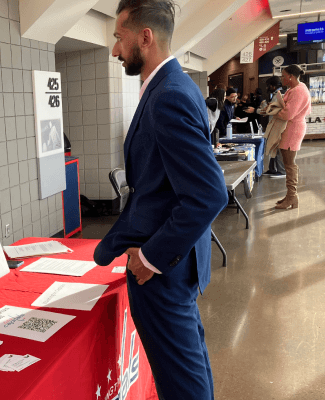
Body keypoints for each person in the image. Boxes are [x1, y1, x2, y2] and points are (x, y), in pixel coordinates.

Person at [94, 1, 228, 398]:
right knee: (191, 369)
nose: (115, 50)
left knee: (181, 383)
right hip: (178, 262)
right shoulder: (174, 86)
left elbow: (207, 193)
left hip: (163, 268)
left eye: (119, 38)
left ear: (145, 37)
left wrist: (150, 257)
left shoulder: (168, 95)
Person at [273, 65, 311, 209]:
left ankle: (292, 197)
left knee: (289, 164)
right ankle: (290, 195)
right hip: (290, 128)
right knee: (288, 163)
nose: (281, 78)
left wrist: (274, 112)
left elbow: (288, 114)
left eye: (283, 76)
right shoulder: (295, 89)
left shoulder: (299, 91)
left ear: (290, 76)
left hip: (293, 129)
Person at [249, 76, 287, 178]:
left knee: (277, 147)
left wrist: (256, 110)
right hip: (274, 124)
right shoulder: (276, 94)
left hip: (278, 125)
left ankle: (281, 171)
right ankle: (272, 169)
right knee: (272, 147)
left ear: (273, 85)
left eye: (268, 86)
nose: (267, 88)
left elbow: (271, 110)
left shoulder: (280, 95)